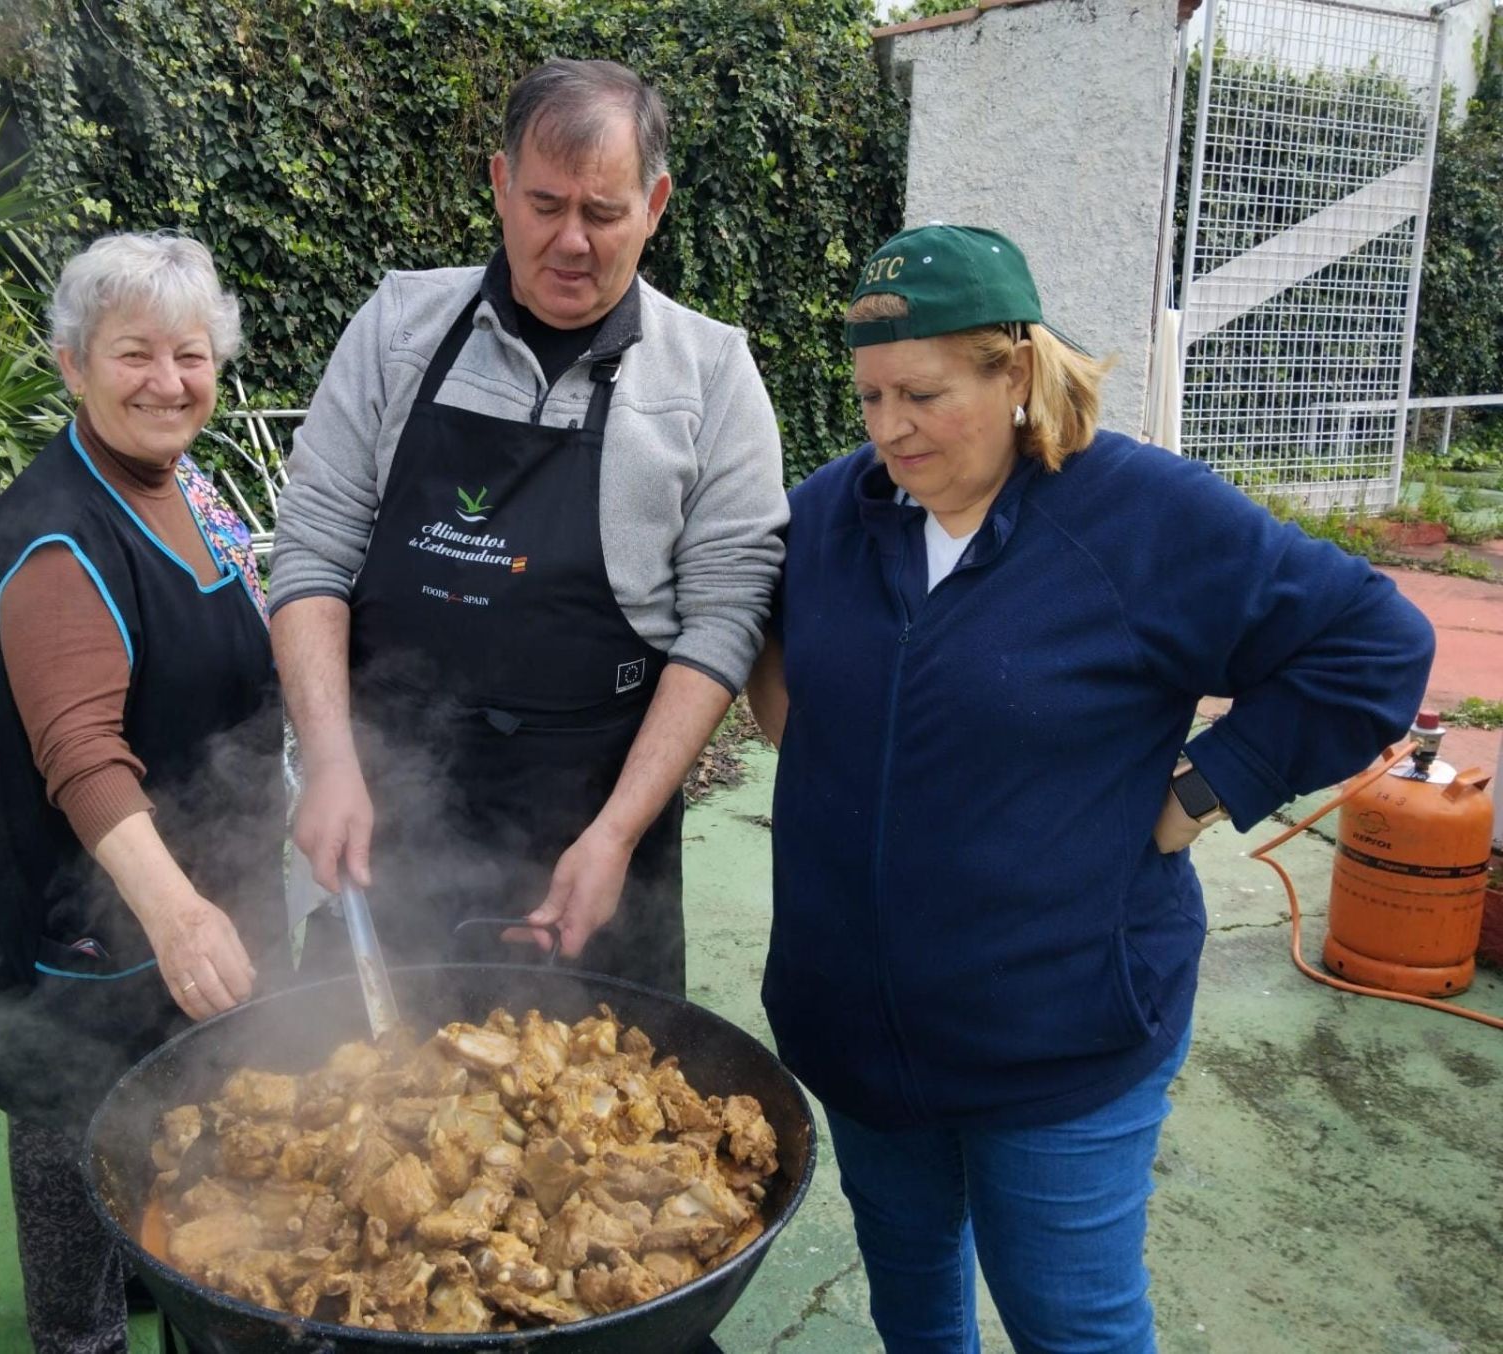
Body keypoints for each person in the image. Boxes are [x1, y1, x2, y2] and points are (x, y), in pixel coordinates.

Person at [746, 223, 1434, 1352]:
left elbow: (1373, 644)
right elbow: (750, 619)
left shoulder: (1140, 515)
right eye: (867, 397)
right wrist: (808, 736)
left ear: (1013, 369)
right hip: (856, 1030)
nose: (888, 432)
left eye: (920, 394)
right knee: (912, 1300)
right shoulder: (832, 513)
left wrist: (1205, 790)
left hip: (1058, 1036)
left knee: (1072, 1325)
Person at [270, 58, 788, 994]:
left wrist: (618, 833)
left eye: (604, 212)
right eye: (546, 205)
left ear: (656, 203)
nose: (572, 241)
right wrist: (332, 764)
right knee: (365, 1108)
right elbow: (314, 550)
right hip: (389, 821)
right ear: (501, 185)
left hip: (593, 834)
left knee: (605, 1119)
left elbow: (724, 614)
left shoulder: (711, 375)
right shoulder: (398, 329)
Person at [0, 232, 285, 1353]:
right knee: (77, 1149)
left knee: (195, 1174)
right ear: (74, 364)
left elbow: (253, 629)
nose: (168, 382)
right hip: (82, 924)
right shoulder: (55, 544)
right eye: (135, 354)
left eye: (191, 354)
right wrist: (175, 911)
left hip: (210, 898)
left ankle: (169, 1278)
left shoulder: (196, 486)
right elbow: (80, 752)